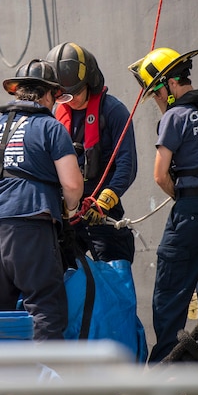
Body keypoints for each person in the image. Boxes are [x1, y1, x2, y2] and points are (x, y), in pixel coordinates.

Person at [128, 47, 198, 364]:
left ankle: (164, 372)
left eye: (156, 94)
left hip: (191, 213)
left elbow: (160, 176)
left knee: (169, 294)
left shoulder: (175, 117)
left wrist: (185, 200)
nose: (157, 101)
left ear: (168, 85)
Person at [0, 59, 83, 340]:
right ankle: (43, 382)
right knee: (45, 308)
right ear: (48, 94)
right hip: (29, 227)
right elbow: (72, 184)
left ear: (18, 91)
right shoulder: (50, 126)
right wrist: (70, 209)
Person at [45, 42, 138, 262]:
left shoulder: (113, 111)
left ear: (90, 81)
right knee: (64, 275)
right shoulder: (56, 117)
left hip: (101, 212)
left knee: (113, 276)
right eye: (63, 96)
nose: (71, 100)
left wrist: (104, 201)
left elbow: (127, 164)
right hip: (69, 216)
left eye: (75, 92)